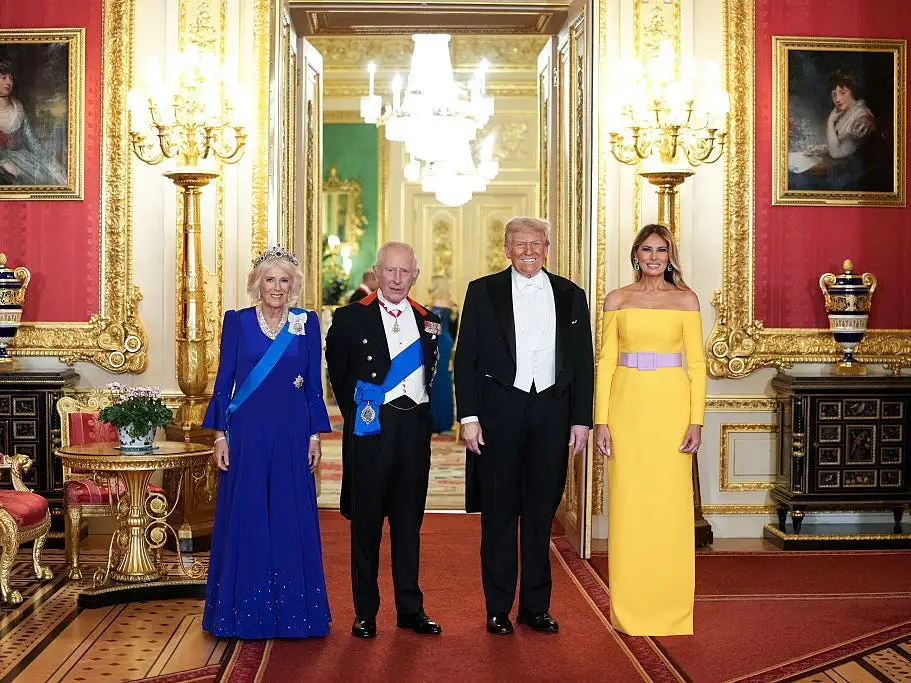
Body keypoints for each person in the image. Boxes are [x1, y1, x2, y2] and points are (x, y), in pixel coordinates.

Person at [454, 216, 594, 636]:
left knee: (540, 515)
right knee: (498, 515)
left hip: (552, 413)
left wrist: (581, 419)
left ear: (547, 247)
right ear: (506, 248)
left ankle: (535, 607)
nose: (528, 250)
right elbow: (466, 358)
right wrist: (470, 417)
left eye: (536, 243)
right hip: (498, 414)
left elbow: (584, 362)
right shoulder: (482, 291)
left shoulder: (572, 294)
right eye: (520, 244)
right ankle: (498, 608)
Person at [202, 245, 332, 639]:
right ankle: (243, 614)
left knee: (291, 516)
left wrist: (314, 434)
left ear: (294, 286)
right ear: (257, 284)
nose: (277, 287)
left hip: (293, 431)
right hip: (248, 432)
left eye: (284, 280)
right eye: (270, 279)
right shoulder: (237, 321)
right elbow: (224, 383)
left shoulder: (305, 322)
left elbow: (313, 384)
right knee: (248, 516)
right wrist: (220, 435)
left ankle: (296, 615)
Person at [325, 241, 443, 639]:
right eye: (389, 271)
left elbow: (431, 376)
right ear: (376, 273)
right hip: (371, 429)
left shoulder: (430, 321)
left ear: (415, 275)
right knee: (367, 524)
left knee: (409, 524)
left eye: (404, 272)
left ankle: (410, 608)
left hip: (414, 429)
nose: (396, 279)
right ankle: (365, 612)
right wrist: (363, 411)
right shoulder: (349, 318)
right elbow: (338, 375)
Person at [592, 224, 706, 636]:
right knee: (630, 506)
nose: (654, 257)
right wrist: (601, 420)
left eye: (662, 250)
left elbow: (696, 364)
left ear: (670, 255)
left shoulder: (687, 300)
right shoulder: (617, 298)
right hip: (627, 409)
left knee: (670, 508)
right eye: (647, 249)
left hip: (672, 411)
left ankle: (673, 611)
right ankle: (630, 611)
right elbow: (605, 362)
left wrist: (697, 419)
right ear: (635, 254)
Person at [789, 70, 884, 192]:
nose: (838, 99)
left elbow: (837, 153)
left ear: (852, 93)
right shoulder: (847, 113)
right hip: (846, 169)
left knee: (802, 181)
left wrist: (830, 122)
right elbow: (840, 142)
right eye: (834, 94)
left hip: (862, 177)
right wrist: (821, 148)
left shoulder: (862, 120)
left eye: (842, 93)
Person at [0, 59, 67, 186]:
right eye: (3, 77)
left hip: (22, 160)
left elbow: (33, 143)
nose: (8, 82)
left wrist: (53, 167)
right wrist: (3, 161)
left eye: (11, 78)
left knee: (47, 178)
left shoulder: (18, 109)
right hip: (3, 161)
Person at [429, 275, 458, 434]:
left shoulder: (434, 305)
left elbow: (431, 329)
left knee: (433, 381)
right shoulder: (452, 305)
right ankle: (445, 421)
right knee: (445, 381)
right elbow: (454, 328)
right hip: (446, 342)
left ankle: (434, 421)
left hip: (436, 342)